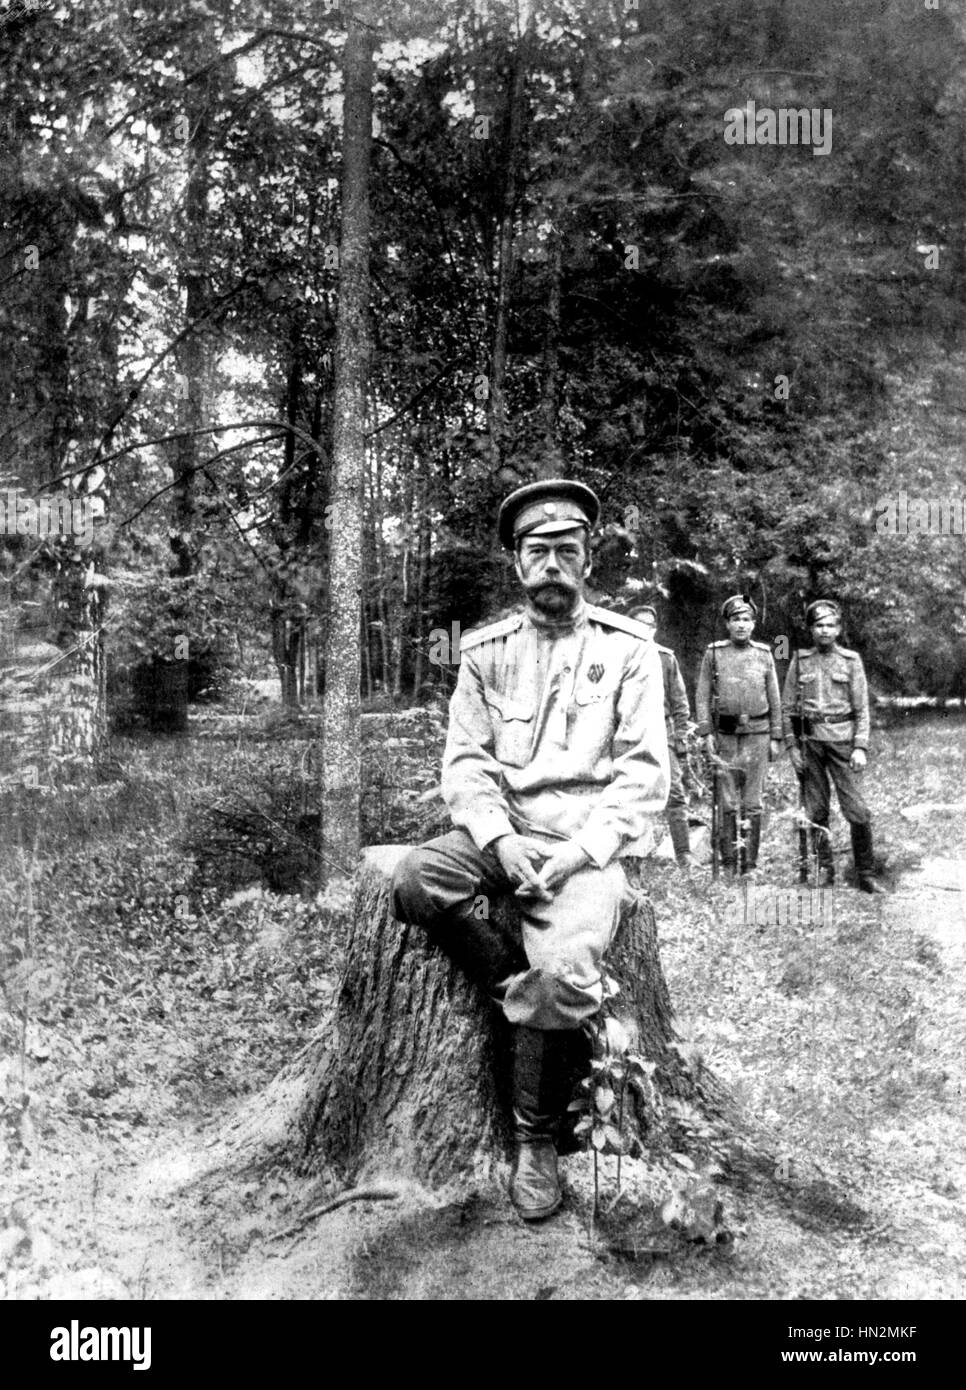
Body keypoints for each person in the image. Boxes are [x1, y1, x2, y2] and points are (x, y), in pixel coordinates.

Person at [390, 478, 669, 1222]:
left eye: (566, 550)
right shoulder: (486, 653)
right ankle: (517, 986)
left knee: (561, 975)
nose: (552, 563)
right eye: (536, 551)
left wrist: (578, 853)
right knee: (417, 882)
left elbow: (644, 775)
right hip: (505, 833)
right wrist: (501, 840)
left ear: (587, 559)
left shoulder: (631, 652)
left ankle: (535, 1141)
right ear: (517, 564)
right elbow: (468, 762)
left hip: (586, 846)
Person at [781, 599, 884, 894]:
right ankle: (824, 869)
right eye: (818, 625)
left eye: (830, 625)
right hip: (810, 744)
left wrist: (860, 747)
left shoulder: (851, 661)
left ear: (838, 629)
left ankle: (866, 873)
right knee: (816, 810)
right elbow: (788, 709)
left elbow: (862, 708)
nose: (824, 631)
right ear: (811, 629)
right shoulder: (799, 661)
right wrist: (793, 748)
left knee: (858, 811)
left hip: (842, 743)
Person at [695, 595, 782, 877]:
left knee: (753, 802)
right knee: (729, 802)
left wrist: (776, 736)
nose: (741, 625)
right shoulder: (715, 653)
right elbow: (702, 694)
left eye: (746, 620)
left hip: (758, 734)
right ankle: (730, 861)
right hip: (725, 736)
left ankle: (750, 864)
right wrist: (706, 731)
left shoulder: (765, 654)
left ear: (754, 624)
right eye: (736, 620)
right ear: (727, 624)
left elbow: (775, 698)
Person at [629, 605, 693, 868]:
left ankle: (683, 853)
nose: (645, 629)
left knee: (674, 792)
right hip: (632, 733)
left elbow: (680, 704)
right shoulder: (619, 657)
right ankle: (634, 852)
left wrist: (680, 739)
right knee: (631, 792)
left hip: (662, 732)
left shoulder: (666, 659)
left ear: (655, 629)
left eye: (650, 625)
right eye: (639, 624)